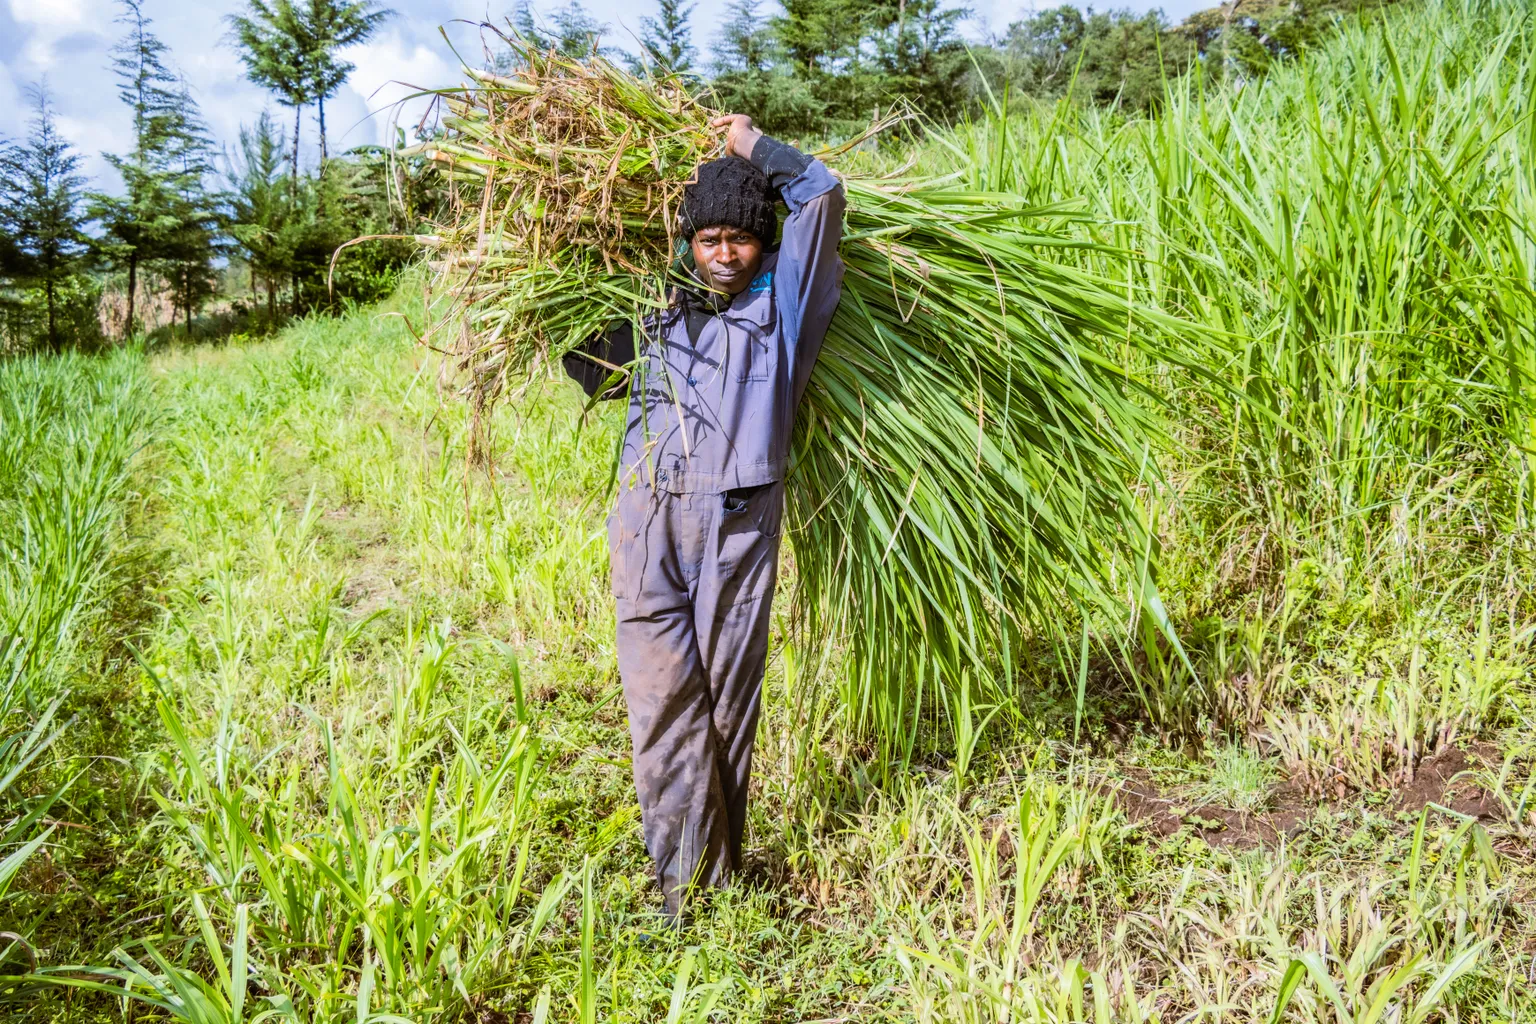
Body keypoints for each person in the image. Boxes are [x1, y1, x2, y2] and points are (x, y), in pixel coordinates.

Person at [562, 114, 845, 921]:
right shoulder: (651, 309)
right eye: (708, 238)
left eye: (741, 240)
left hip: (738, 525)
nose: (724, 254)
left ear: (762, 243)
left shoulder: (784, 310)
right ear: (688, 242)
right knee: (662, 703)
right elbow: (580, 361)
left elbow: (821, 192)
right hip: (643, 524)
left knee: (725, 703)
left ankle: (712, 882)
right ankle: (687, 892)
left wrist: (751, 144)